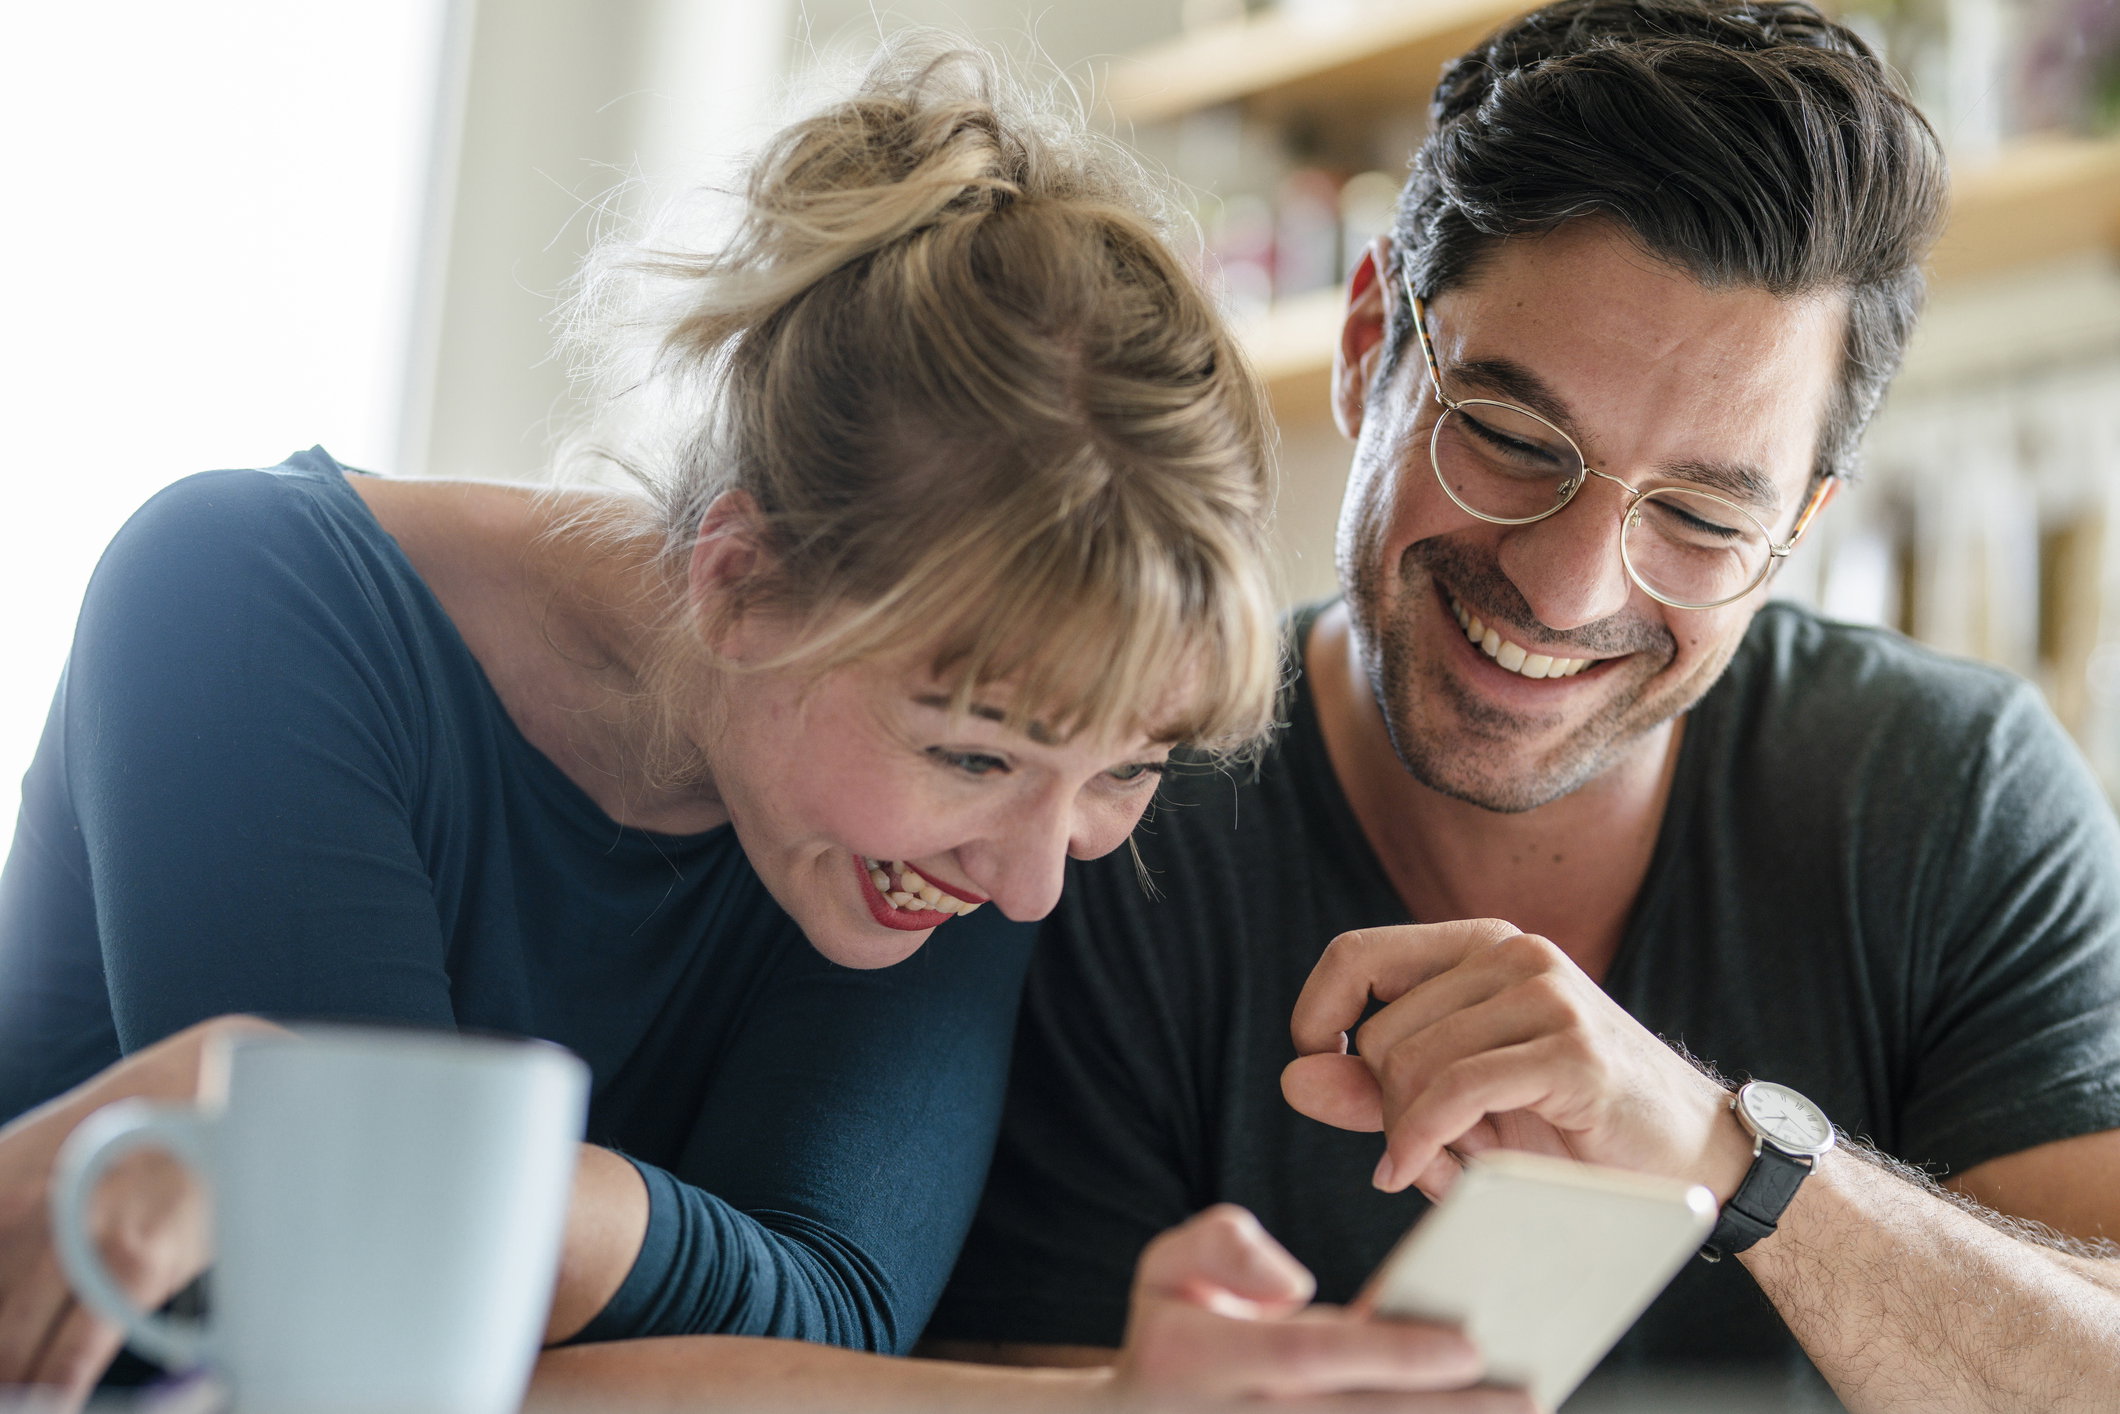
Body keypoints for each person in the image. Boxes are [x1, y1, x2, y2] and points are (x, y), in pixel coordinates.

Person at [0, 41, 1529, 1414]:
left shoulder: (950, 839)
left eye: (1128, 769)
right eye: (972, 751)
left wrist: (444, 1165)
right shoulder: (241, 597)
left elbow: (837, 1314)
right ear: (741, 582)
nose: (1034, 884)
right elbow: (365, 1334)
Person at [924, 1, 2120, 1408]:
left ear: (1800, 527)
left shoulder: (1949, 796)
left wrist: (1726, 1154)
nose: (1564, 587)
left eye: (1700, 517)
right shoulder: (1100, 826)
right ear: (1367, 345)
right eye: (1508, 436)